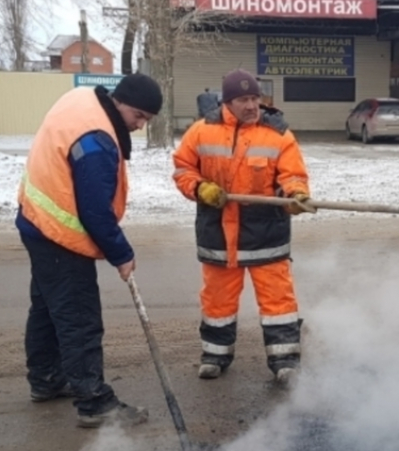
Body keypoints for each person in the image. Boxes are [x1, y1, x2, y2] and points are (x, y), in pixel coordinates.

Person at [16, 73, 163, 428]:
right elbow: (96, 211)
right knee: (78, 317)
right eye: (139, 117)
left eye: (146, 120)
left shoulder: (83, 100)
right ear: (121, 102)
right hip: (59, 234)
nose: (139, 126)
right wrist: (122, 254)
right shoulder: (97, 139)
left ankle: (47, 379)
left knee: (49, 309)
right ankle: (94, 401)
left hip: (37, 220)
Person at [173, 69, 311, 385]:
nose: (252, 105)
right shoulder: (200, 132)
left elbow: (293, 176)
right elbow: (183, 170)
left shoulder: (279, 135)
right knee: (217, 299)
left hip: (266, 232)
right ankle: (214, 356)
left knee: (278, 300)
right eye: (244, 99)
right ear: (227, 102)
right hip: (218, 231)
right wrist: (200, 189)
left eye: (255, 98)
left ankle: (285, 361)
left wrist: (296, 196)